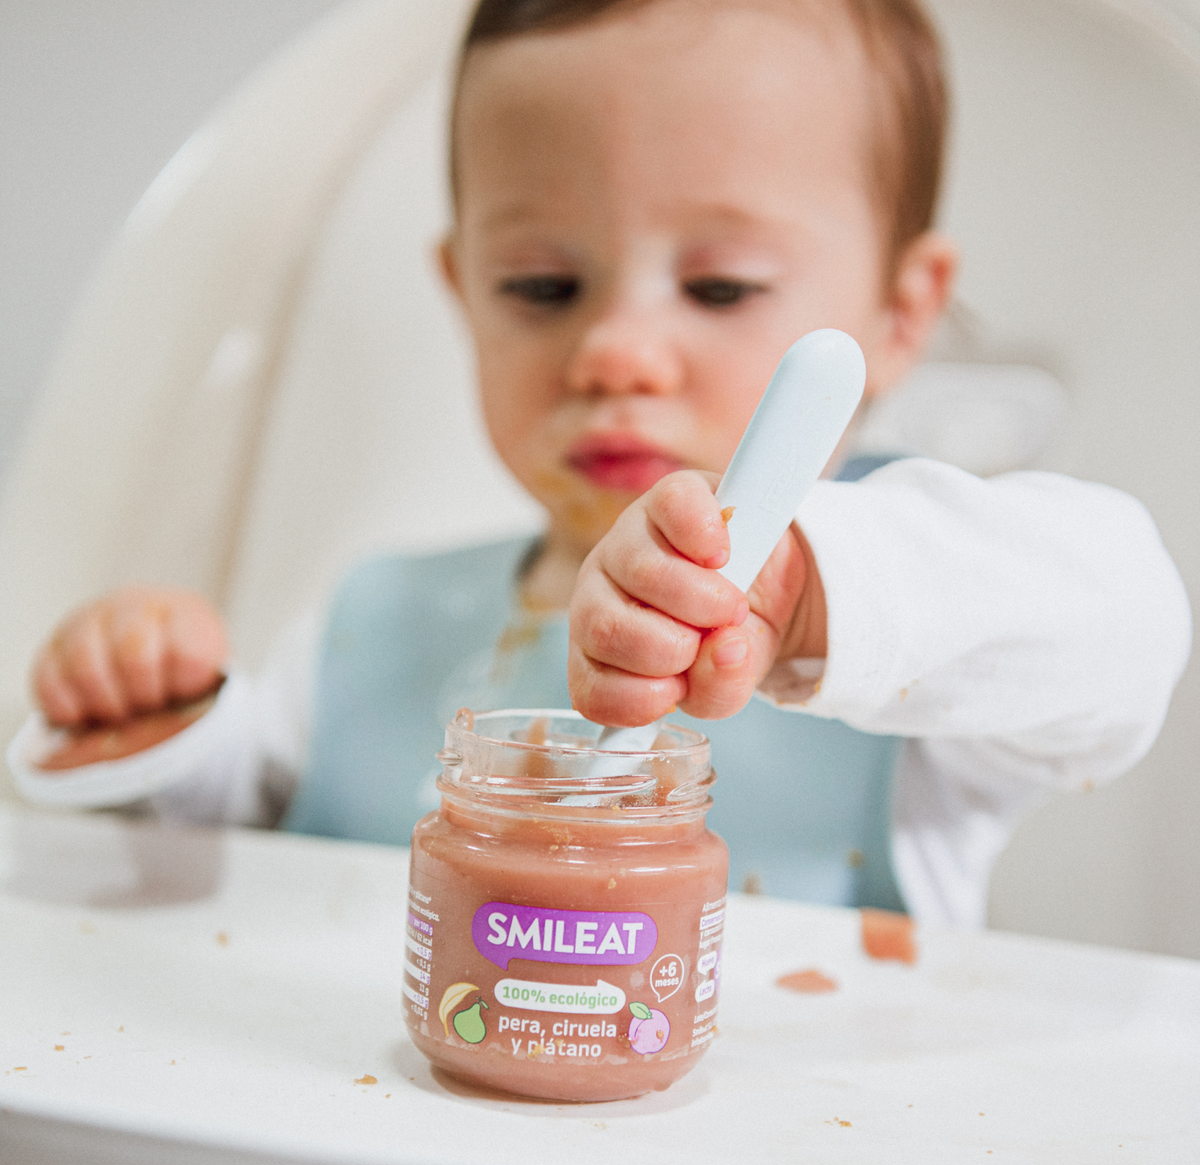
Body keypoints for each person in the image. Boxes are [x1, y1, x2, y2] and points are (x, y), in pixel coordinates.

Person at [14, 0, 1190, 927]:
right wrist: (158, 731)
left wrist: (814, 595)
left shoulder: (910, 639)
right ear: (463, 292)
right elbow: (242, 858)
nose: (615, 351)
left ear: (902, 309)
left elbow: (1126, 626)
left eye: (720, 287)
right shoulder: (367, 623)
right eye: (541, 288)